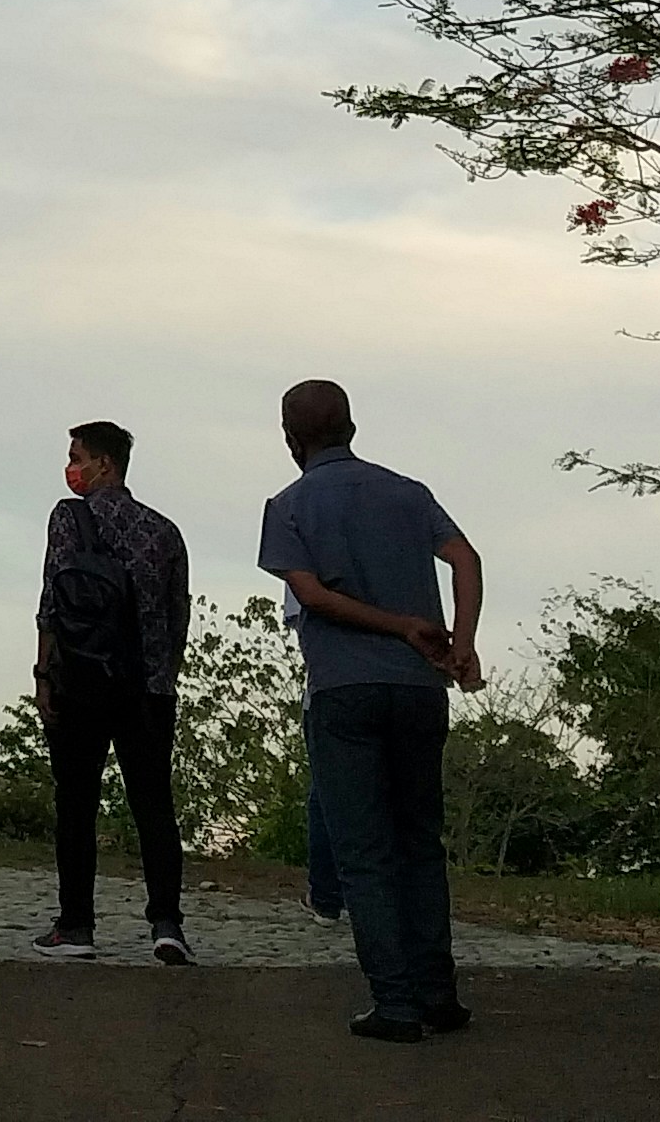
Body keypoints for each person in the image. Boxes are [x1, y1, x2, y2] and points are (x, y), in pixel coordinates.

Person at [257, 377, 485, 1043]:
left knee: (364, 850)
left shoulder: (289, 505)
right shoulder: (409, 494)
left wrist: (394, 625)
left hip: (343, 689)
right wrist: (457, 642)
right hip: (419, 690)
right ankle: (439, 993)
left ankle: (395, 1003)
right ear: (352, 427)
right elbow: (465, 559)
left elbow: (312, 596)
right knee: (419, 841)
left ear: (291, 439)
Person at [29, 418, 193, 966]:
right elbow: (177, 618)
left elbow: (53, 596)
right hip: (147, 688)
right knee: (153, 805)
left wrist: (43, 672)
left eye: (76, 455)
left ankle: (76, 925)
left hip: (81, 682)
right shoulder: (164, 532)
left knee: (75, 803)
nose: (70, 465)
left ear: (103, 463)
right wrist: (161, 676)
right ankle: (166, 923)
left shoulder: (69, 518)